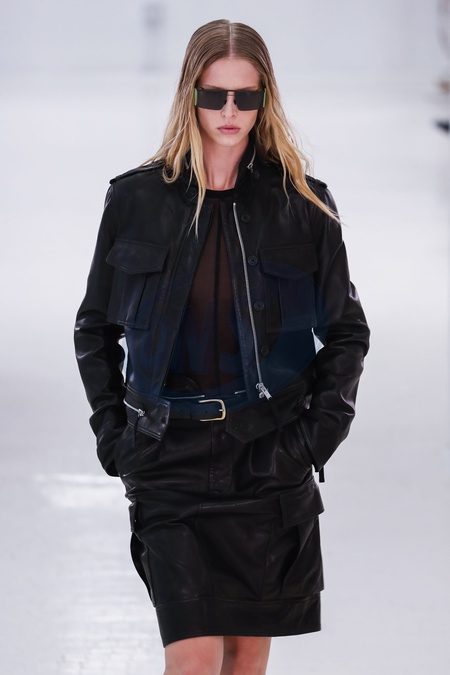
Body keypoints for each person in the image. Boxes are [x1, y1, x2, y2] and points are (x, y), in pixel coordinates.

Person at [74, 19, 370, 675]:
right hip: (167, 459)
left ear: (266, 100)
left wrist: (311, 441)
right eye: (214, 95)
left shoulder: (304, 206)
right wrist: (113, 435)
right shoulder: (136, 200)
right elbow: (94, 327)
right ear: (191, 95)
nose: (229, 112)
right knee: (193, 658)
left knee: (243, 662)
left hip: (266, 461)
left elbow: (347, 332)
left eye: (245, 96)